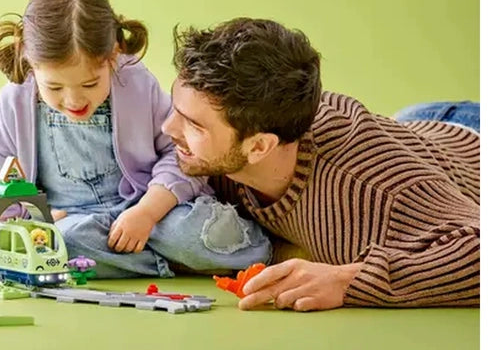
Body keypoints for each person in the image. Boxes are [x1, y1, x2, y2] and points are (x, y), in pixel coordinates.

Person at [164, 17, 479, 310]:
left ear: (260, 146)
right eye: (175, 109)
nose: (168, 129)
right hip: (417, 128)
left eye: (194, 125)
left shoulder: (374, 194)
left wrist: (346, 281)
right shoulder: (223, 147)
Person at [0, 0, 273, 279]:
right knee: (57, 245)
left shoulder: (137, 84)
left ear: (113, 55)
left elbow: (180, 156)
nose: (74, 100)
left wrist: (147, 213)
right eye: (54, 87)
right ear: (30, 63)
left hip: (147, 209)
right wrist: (0, 240)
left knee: (194, 233)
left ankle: (243, 252)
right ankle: (173, 263)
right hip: (72, 222)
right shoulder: (15, 102)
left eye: (90, 84)